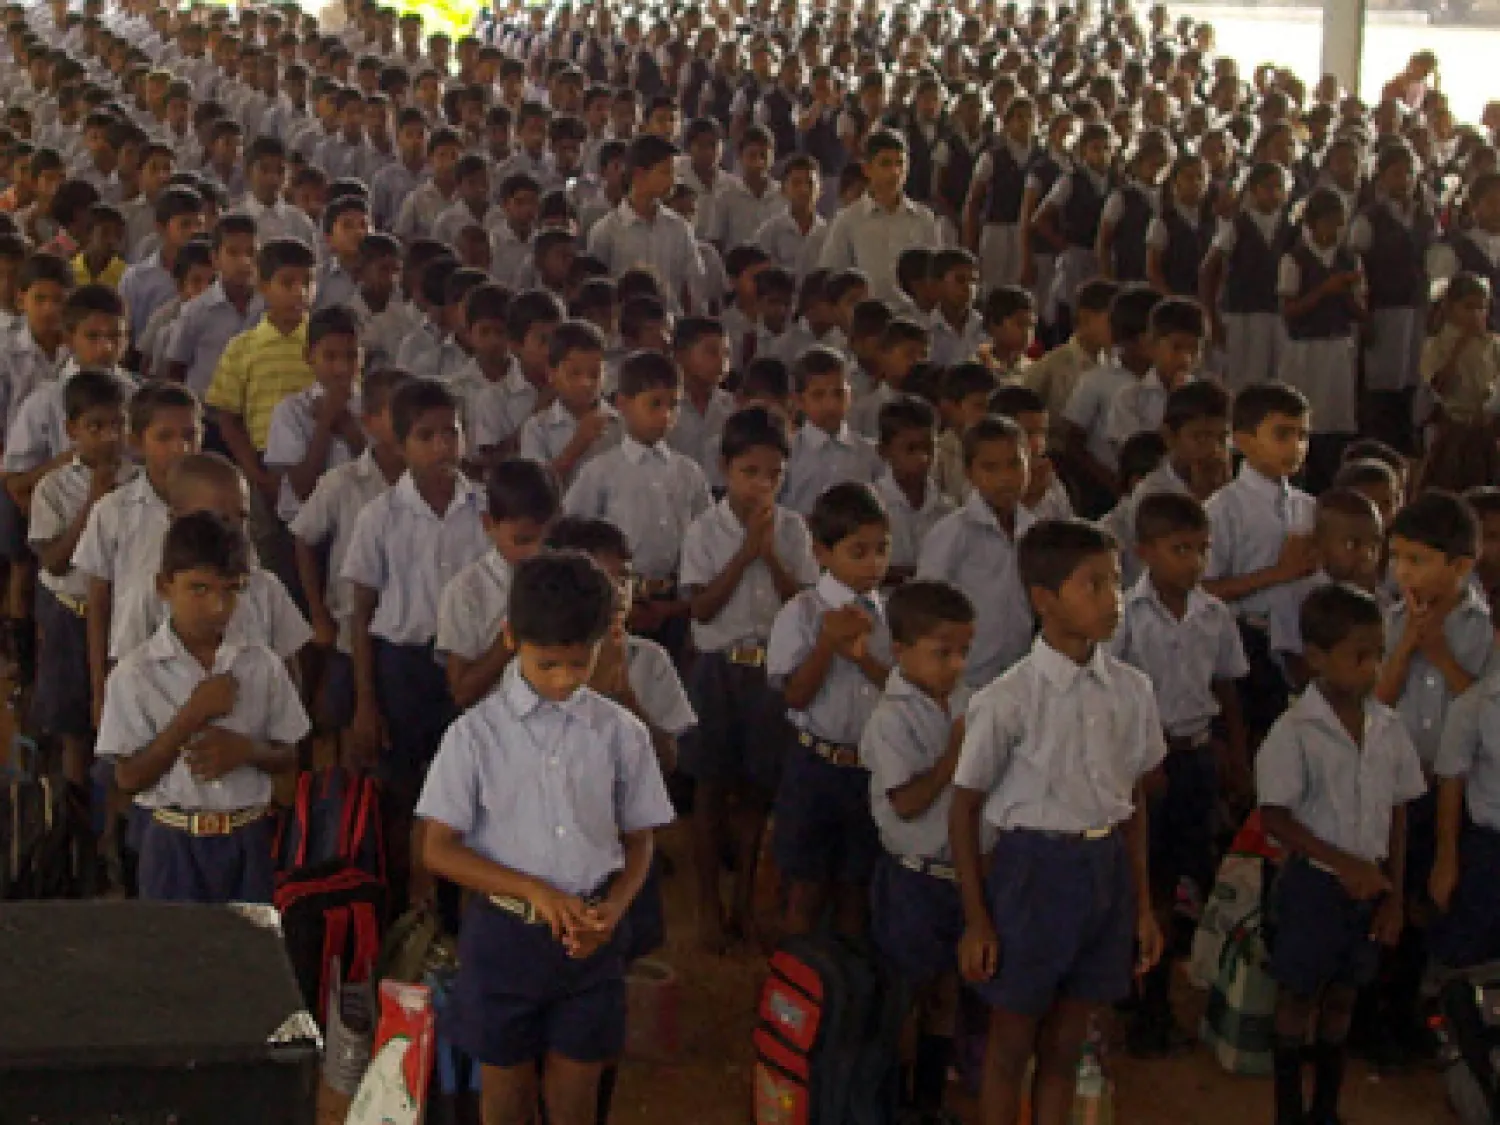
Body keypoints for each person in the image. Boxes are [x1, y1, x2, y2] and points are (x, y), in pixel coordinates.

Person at [416, 550, 674, 1125]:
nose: (562, 680)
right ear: (511, 638)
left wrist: (614, 907)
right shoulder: (475, 736)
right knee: (505, 1087)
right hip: (505, 937)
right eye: (547, 664)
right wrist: (534, 891)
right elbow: (437, 848)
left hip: (591, 938)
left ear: (604, 646)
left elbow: (640, 840)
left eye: (578, 666)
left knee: (577, 1089)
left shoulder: (620, 733)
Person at [950, 518, 1164, 1125]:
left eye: (1116, 583)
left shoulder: (1131, 691)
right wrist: (976, 920)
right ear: (1044, 600)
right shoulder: (1008, 698)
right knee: (1011, 1044)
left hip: (1104, 871)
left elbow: (1134, 801)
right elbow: (964, 808)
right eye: (1092, 585)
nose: (1113, 600)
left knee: (1069, 1042)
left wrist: (1142, 905)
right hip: (1032, 874)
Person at [1258, 582, 1424, 1125]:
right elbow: (1275, 817)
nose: (1373, 667)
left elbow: (1399, 812)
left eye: (1379, 653)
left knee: (1345, 997)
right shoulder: (1296, 731)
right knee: (1298, 995)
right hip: (1314, 885)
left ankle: (1325, 1110)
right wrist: (1343, 863)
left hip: (1371, 887)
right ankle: (1289, 1111)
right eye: (1359, 656)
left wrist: (1393, 893)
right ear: (1315, 658)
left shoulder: (1388, 728)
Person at [96, 511, 309, 904]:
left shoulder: (261, 664)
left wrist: (247, 751)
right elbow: (127, 778)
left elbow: (289, 755)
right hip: (172, 840)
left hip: (247, 837)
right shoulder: (137, 673)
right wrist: (191, 716)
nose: (216, 606)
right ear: (164, 586)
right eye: (199, 589)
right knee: (176, 959)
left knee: (245, 958)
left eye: (230, 590)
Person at [1110, 491, 1249, 1054]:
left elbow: (1227, 687)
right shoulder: (1125, 614)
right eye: (1179, 549)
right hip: (1148, 764)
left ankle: (1158, 990)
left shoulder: (1214, 614)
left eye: (1201, 550)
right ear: (1145, 552)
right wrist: (1139, 762)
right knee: (1143, 879)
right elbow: (1113, 696)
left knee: (1183, 878)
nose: (1192, 561)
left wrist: (1235, 754)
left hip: (1195, 756)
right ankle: (1141, 998)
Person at [342, 377, 490, 901]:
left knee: (464, 797)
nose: (441, 447)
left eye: (450, 434)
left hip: (471, 667)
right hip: (401, 667)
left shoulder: (484, 511)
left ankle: (450, 918)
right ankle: (390, 910)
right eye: (425, 436)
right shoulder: (378, 517)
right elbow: (359, 615)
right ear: (400, 446)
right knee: (399, 794)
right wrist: (365, 701)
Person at [679, 406, 818, 951]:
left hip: (771, 672)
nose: (761, 486)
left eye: (773, 475)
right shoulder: (705, 530)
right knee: (710, 790)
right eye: (749, 473)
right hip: (718, 670)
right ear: (725, 469)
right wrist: (745, 554)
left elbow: (801, 604)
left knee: (759, 792)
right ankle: (708, 904)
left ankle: (745, 904)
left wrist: (772, 556)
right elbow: (702, 610)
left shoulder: (794, 530)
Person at [863, 578, 975, 1120]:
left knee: (945, 994)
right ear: (901, 652)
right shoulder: (891, 720)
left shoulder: (966, 703)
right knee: (905, 994)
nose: (954, 664)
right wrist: (954, 759)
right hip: (913, 877)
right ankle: (891, 1099)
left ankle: (928, 1100)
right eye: (941, 652)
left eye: (962, 652)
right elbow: (905, 802)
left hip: (960, 874)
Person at [768, 480, 892, 936]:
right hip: (815, 764)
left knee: (857, 889)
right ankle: (792, 996)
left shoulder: (890, 616)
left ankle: (845, 994)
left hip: (871, 767)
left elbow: (901, 687)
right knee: (806, 888)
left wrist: (861, 657)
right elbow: (795, 696)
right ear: (822, 553)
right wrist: (826, 645)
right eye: (858, 552)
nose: (873, 564)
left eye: (882, 550)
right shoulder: (802, 612)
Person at [28, 369, 133, 788]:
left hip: (118, 616)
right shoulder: (51, 489)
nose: (108, 437)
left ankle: (109, 822)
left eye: (117, 425)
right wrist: (94, 500)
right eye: (95, 427)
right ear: (72, 430)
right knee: (73, 720)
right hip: (69, 613)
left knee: (117, 720)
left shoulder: (138, 481)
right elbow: (54, 562)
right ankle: (72, 822)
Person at [73, 382, 202, 726]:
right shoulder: (113, 510)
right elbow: (98, 604)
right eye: (164, 437)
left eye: (190, 435)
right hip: (131, 663)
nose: (181, 447)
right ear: (136, 442)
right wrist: (101, 690)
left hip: (202, 669)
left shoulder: (217, 509)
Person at [290, 367, 410, 734]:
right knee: (336, 720)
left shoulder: (431, 486)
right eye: (396, 412)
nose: (408, 422)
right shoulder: (342, 482)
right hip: (347, 630)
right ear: (370, 422)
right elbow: (303, 538)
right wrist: (318, 613)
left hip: (405, 632)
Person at [1203, 383, 1319, 740]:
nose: (1296, 447)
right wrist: (1278, 574)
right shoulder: (1223, 509)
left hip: (1305, 646)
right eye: (1282, 434)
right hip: (1250, 643)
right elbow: (1204, 588)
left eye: (1302, 436)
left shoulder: (1308, 506)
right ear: (1242, 440)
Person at [917, 415, 1034, 690]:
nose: (1005, 478)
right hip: (966, 678)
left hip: (1020, 674)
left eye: (1014, 464)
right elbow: (926, 605)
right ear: (969, 473)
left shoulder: (1033, 531)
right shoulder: (953, 532)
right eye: (990, 468)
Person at [437, 457, 560, 710]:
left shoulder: (568, 578)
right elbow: (461, 693)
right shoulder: (466, 591)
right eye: (522, 540)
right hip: (495, 727)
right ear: (488, 525)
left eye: (546, 540)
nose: (536, 552)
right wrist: (511, 638)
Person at [263, 305, 365, 526]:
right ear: (308, 356)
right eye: (330, 357)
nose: (342, 368)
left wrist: (348, 426)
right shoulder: (291, 411)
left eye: (352, 356)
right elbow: (303, 489)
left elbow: (384, 476)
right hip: (303, 530)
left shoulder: (372, 408)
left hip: (359, 525)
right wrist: (325, 422)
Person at [819, 129, 942, 303]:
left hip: (914, 320)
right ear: (867, 168)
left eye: (900, 164)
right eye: (885, 164)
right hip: (867, 318)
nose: (895, 172)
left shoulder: (924, 219)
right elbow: (832, 274)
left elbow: (935, 278)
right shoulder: (848, 220)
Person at [779, 346, 882, 515]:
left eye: (838, 393)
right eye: (818, 395)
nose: (831, 404)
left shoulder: (870, 454)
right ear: (798, 401)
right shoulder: (788, 453)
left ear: (850, 395)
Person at [517, 319, 618, 489]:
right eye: (574, 373)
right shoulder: (537, 428)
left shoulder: (621, 424)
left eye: (594, 374)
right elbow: (533, 491)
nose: (585, 383)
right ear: (552, 373)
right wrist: (576, 446)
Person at [874, 395, 954, 584]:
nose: (923, 458)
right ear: (883, 451)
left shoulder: (947, 509)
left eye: (929, 449)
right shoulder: (871, 506)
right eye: (911, 449)